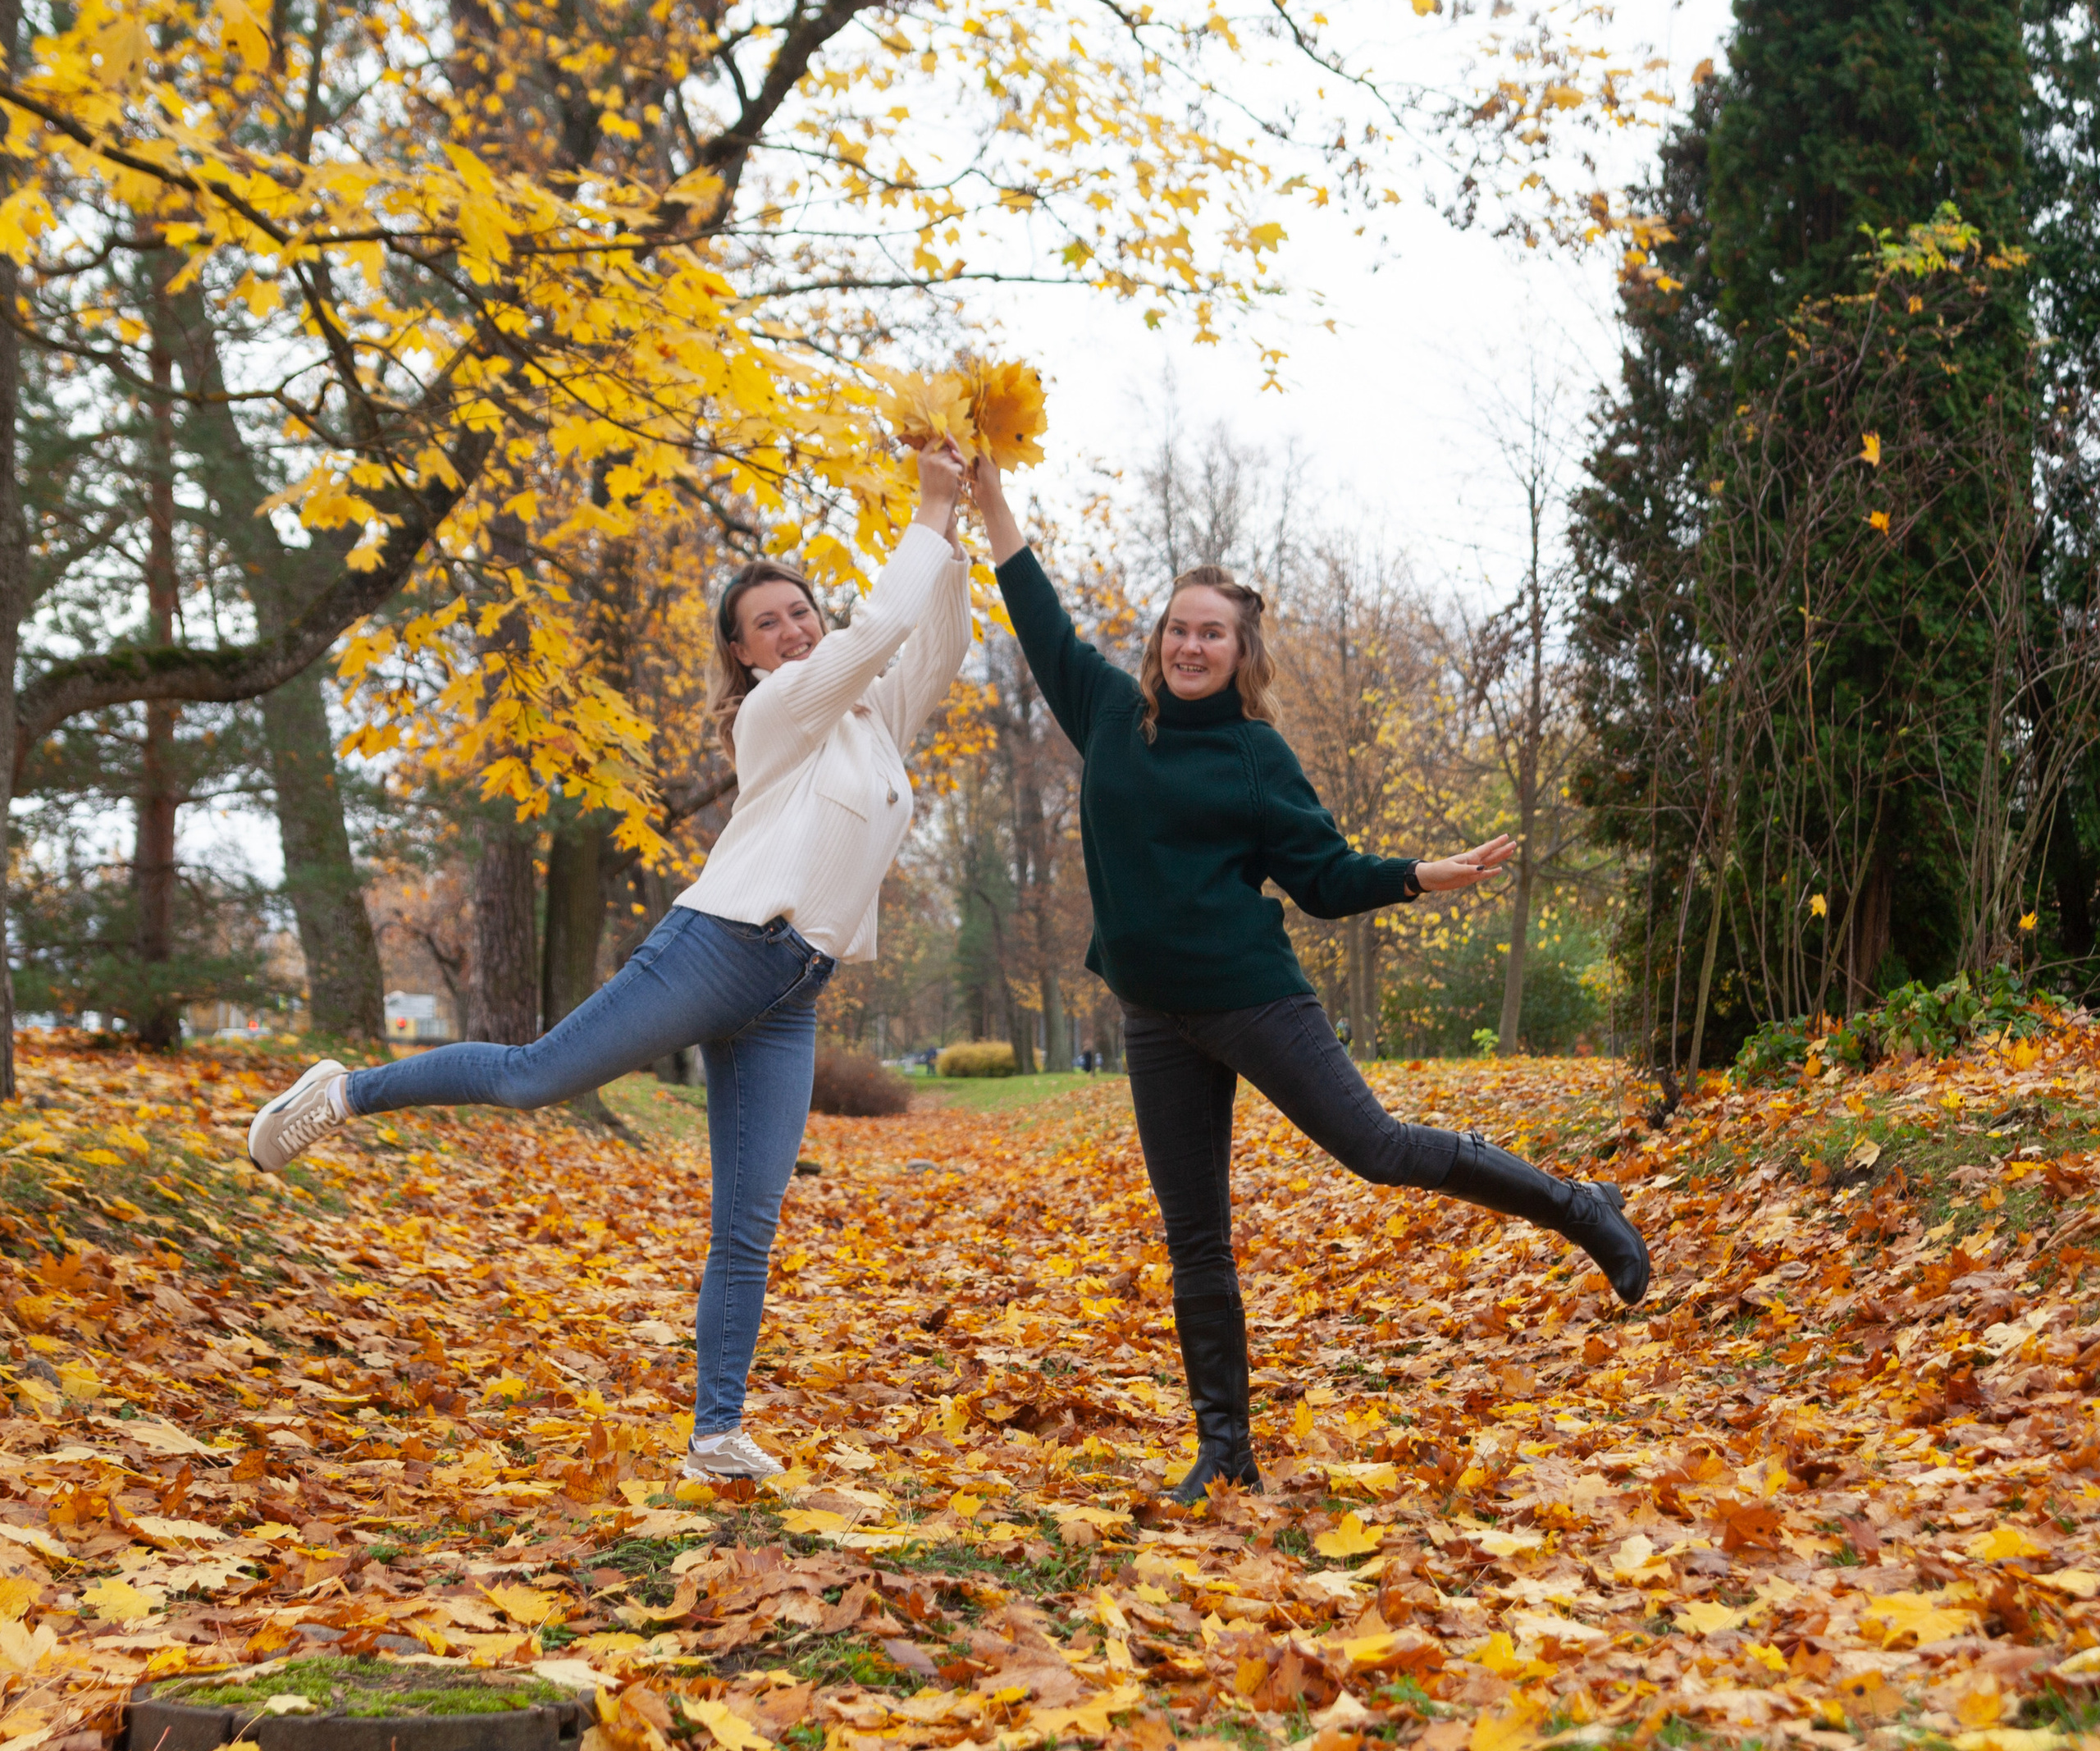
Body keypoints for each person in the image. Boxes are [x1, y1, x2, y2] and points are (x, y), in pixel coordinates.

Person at [245, 444, 977, 1480]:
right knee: (534, 1076)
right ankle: (346, 1092)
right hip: (718, 949)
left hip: (789, 991)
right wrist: (926, 507)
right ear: (744, 653)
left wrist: (961, 524)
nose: (794, 626)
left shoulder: (874, 722)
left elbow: (933, 642)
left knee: (749, 1219)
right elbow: (882, 630)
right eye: (767, 620)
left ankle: (717, 1435)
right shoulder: (781, 712)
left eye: (802, 609)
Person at [968, 455, 1649, 1506]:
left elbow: (1322, 881)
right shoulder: (1106, 712)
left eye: (1212, 633)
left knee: (1375, 1148)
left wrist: (1423, 874)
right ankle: (1224, 1445)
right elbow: (1032, 601)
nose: (1189, 645)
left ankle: (1578, 1206)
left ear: (1240, 653)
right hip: (1153, 1014)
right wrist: (983, 495)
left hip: (1251, 998)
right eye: (1176, 628)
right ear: (1159, 642)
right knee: (1192, 1229)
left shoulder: (1254, 754)